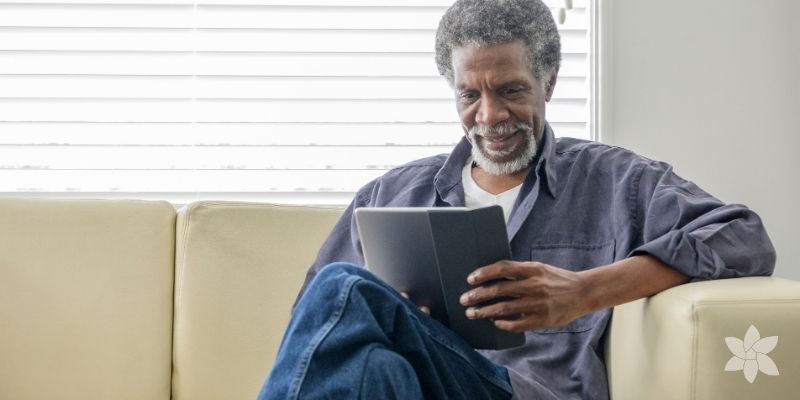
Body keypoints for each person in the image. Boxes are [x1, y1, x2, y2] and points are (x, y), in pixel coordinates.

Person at [258, 0, 776, 399]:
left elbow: (743, 237)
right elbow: (315, 330)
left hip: (526, 391)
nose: (489, 116)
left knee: (342, 284)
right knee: (370, 355)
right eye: (470, 95)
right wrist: (401, 316)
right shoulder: (390, 194)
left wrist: (585, 290)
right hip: (414, 385)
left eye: (509, 90)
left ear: (548, 82)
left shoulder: (619, 182)